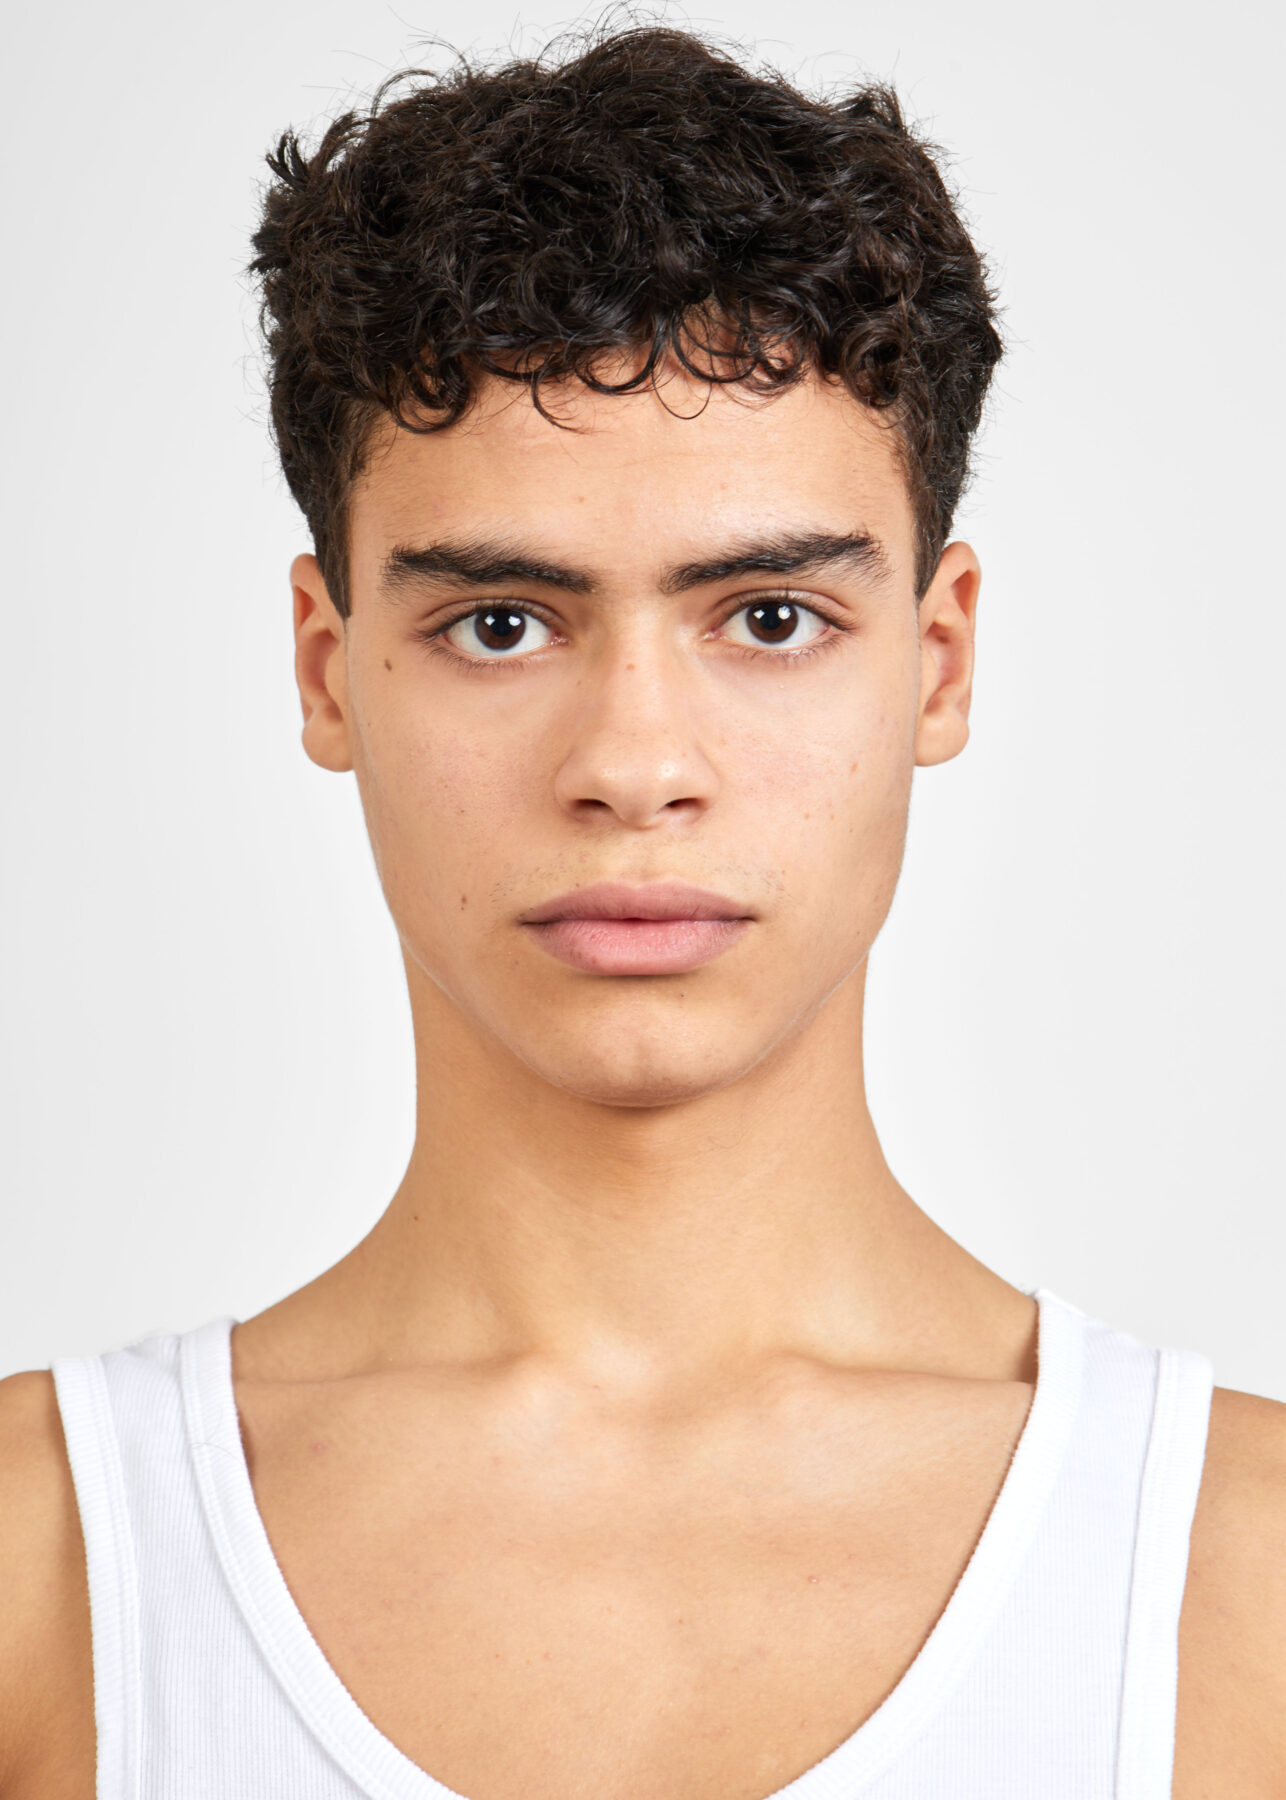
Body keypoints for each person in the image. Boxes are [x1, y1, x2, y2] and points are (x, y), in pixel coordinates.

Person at [1, 23, 1282, 1800]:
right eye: (500, 625)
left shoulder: (1243, 1575)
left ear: (936, 663)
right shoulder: (40, 1561)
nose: (633, 764)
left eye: (767, 618)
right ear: (326, 668)